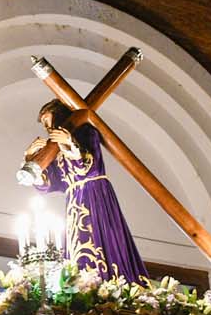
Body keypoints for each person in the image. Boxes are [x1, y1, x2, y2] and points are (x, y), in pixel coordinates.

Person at [26, 99, 149, 283]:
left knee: (100, 237)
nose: (47, 128)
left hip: (95, 193)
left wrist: (69, 143)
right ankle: (83, 285)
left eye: (47, 121)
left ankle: (111, 283)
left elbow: (89, 167)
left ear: (58, 115)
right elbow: (51, 184)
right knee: (78, 245)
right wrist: (30, 158)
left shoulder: (85, 132)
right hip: (73, 201)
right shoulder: (53, 150)